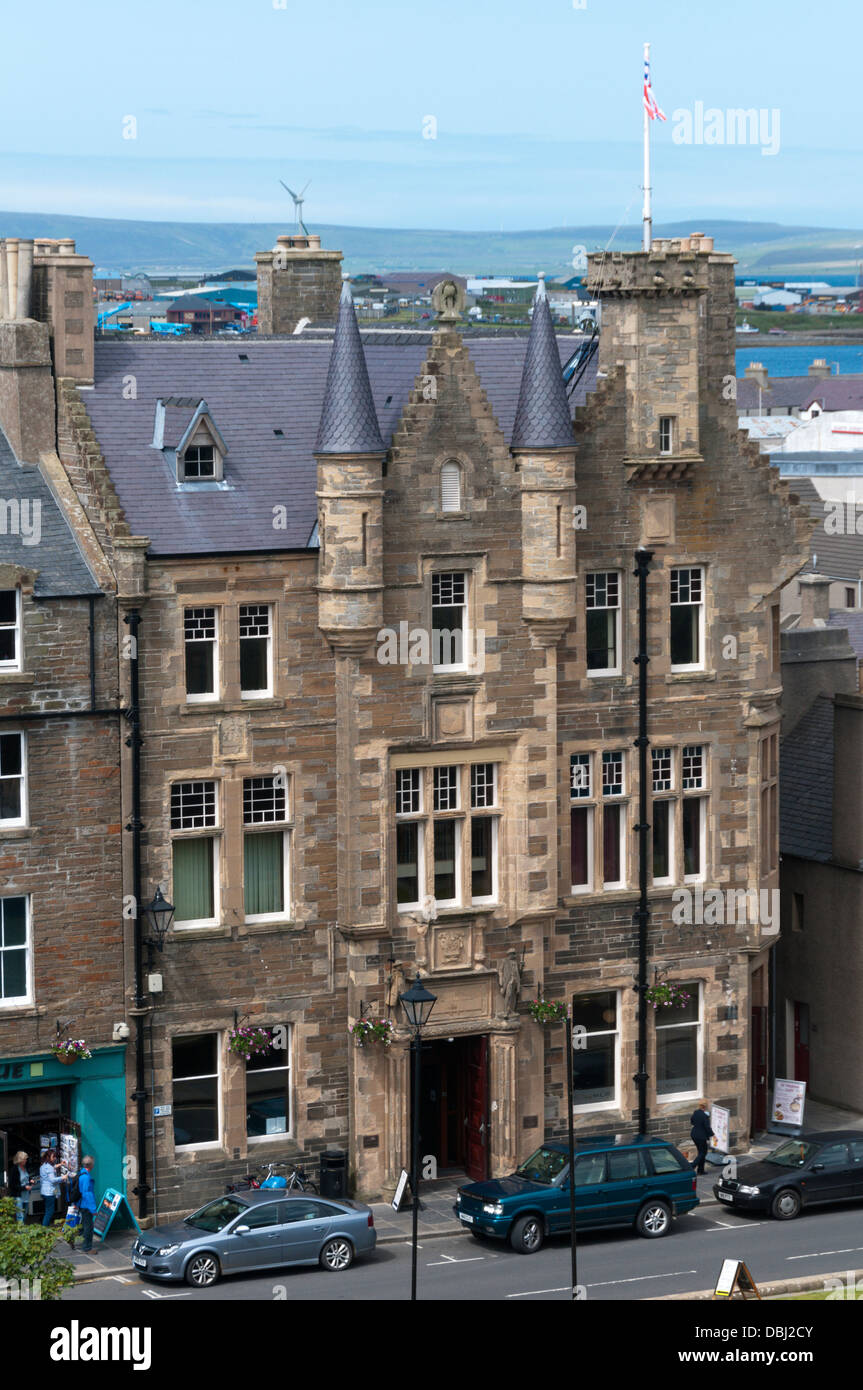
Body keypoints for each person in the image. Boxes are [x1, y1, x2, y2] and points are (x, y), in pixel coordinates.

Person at [39, 1148, 66, 1227]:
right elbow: (52, 1180)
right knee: (50, 1212)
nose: (55, 1158)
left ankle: (45, 1227)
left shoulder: (43, 1165)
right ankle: (45, 1228)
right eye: (53, 1157)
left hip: (44, 1191)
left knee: (47, 1210)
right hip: (49, 1192)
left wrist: (60, 1164)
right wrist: (63, 1177)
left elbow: (53, 1168)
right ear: (48, 1158)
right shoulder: (49, 1168)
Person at [77, 1154, 97, 1252]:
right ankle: (87, 1247)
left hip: (81, 1204)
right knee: (88, 1227)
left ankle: (76, 1241)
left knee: (82, 1225)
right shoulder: (86, 1178)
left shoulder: (81, 1174)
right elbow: (87, 1193)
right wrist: (93, 1209)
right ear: (91, 1165)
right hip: (86, 1206)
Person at [690, 1100, 715, 1175]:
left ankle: (700, 1170)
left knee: (701, 1152)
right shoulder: (704, 1116)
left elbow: (692, 1122)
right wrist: (713, 1135)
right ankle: (692, 1166)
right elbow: (707, 1127)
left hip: (694, 1134)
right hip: (701, 1136)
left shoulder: (695, 1112)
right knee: (702, 1152)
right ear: (705, 1106)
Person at [9, 1151, 34, 1223]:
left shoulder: (25, 1167)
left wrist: (31, 1180)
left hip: (26, 1195)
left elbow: (26, 1178)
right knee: (20, 1215)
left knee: (24, 1214)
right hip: (18, 1196)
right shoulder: (14, 1169)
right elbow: (12, 1185)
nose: (26, 1160)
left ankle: (22, 1231)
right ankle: (20, 1233)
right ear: (20, 1160)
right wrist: (24, 1188)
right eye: (25, 1159)